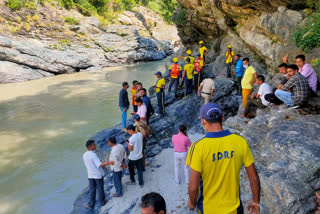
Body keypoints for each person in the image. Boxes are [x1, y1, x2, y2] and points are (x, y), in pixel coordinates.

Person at [186, 103, 261, 214]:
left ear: (203, 121)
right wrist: (255, 202)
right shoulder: (240, 141)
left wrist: (192, 203)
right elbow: (253, 177)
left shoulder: (197, 147)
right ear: (222, 117)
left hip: (208, 210)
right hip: (235, 209)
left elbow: (193, 187)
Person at [83, 140, 109, 209]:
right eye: (94, 145)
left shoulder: (85, 155)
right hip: (97, 175)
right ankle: (102, 202)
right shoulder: (93, 155)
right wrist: (108, 162)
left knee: (92, 190)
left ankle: (91, 204)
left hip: (90, 175)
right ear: (91, 146)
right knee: (100, 188)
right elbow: (99, 165)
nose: (95, 146)